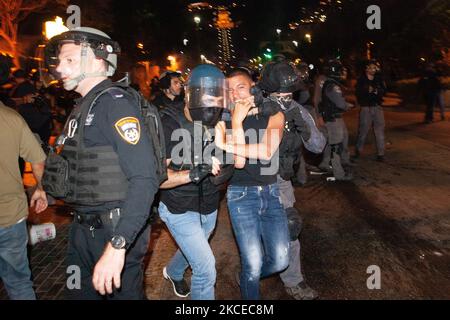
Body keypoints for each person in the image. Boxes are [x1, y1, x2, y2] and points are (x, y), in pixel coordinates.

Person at [43, 27, 159, 299]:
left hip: (114, 231)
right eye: (60, 61)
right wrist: (43, 188)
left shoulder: (116, 104)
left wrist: (118, 246)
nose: (60, 68)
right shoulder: (83, 105)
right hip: (82, 229)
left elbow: (145, 180)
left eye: (69, 60)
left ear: (98, 59)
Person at [216, 66, 290, 300]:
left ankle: (247, 276)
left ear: (253, 87)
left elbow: (266, 151)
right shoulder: (222, 119)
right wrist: (236, 123)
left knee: (280, 260)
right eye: (230, 90)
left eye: (241, 87)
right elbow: (239, 163)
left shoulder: (273, 113)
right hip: (241, 195)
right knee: (253, 263)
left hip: (271, 192)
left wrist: (226, 144)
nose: (236, 94)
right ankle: (250, 280)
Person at [158, 64, 227, 300]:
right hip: (178, 208)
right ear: (190, 96)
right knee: (206, 267)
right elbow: (158, 178)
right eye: (206, 97)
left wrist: (223, 138)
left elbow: (229, 162)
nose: (212, 105)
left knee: (196, 249)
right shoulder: (168, 123)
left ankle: (174, 271)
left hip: (209, 205)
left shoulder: (219, 121)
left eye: (217, 99)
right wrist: (193, 173)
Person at [258, 60, 318, 299]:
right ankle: (252, 271)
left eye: (288, 92)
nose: (284, 96)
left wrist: (300, 121)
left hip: (280, 180)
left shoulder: (296, 109)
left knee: (290, 226)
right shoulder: (255, 105)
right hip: (253, 179)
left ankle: (294, 280)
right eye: (279, 92)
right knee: (255, 233)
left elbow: (317, 145)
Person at [0, 100, 48, 299]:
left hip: (12, 215)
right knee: (19, 282)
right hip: (11, 215)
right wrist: (40, 188)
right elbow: (38, 158)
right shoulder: (11, 117)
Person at [317, 59, 353, 181]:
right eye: (340, 70)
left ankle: (327, 164)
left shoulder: (329, 83)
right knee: (336, 146)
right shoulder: (332, 86)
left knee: (335, 143)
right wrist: (347, 105)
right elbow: (340, 104)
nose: (343, 73)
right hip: (333, 119)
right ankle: (339, 174)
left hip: (333, 117)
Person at [353, 60, 387, 162]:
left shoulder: (379, 78)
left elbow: (384, 90)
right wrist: (366, 90)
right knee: (363, 131)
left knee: (379, 130)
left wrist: (377, 90)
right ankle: (358, 151)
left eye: (375, 68)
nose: (373, 69)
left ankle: (381, 154)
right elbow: (358, 93)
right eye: (371, 67)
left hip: (377, 107)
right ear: (366, 68)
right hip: (366, 108)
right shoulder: (361, 80)